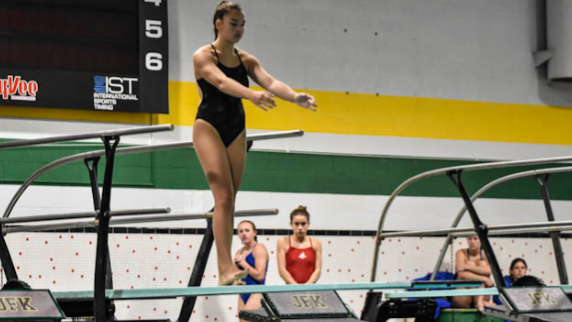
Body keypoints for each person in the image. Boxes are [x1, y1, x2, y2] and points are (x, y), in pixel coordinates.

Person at [192, 1, 317, 285]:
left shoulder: (246, 59)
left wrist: (295, 97)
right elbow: (222, 83)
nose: (239, 29)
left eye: (242, 25)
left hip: (236, 127)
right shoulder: (202, 56)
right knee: (222, 196)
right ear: (218, 24)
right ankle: (224, 267)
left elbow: (270, 82)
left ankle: (225, 265)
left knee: (230, 199)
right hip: (208, 125)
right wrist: (251, 95)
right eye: (234, 23)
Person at [277, 206, 322, 284]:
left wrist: (307, 286)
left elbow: (317, 270)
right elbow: (282, 270)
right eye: (296, 224)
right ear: (291, 224)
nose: (300, 227)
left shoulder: (316, 243)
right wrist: (296, 287)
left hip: (310, 290)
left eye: (303, 224)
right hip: (290, 289)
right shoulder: (283, 242)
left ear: (308, 224)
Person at [234, 220, 268, 318]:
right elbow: (234, 276)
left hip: (256, 291)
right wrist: (236, 282)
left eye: (247, 230)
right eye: (241, 231)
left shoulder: (259, 248)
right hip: (243, 293)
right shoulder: (239, 252)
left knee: (247, 321)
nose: (244, 234)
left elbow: (260, 276)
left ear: (254, 233)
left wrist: (243, 263)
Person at [451, 235, 495, 311]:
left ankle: (479, 302)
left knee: (482, 264)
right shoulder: (461, 252)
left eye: (475, 239)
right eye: (469, 239)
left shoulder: (485, 254)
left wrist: (466, 267)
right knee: (471, 263)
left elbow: (489, 270)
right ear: (467, 240)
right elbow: (461, 274)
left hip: (480, 292)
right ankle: (481, 302)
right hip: (464, 289)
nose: (472, 241)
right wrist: (483, 278)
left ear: (480, 241)